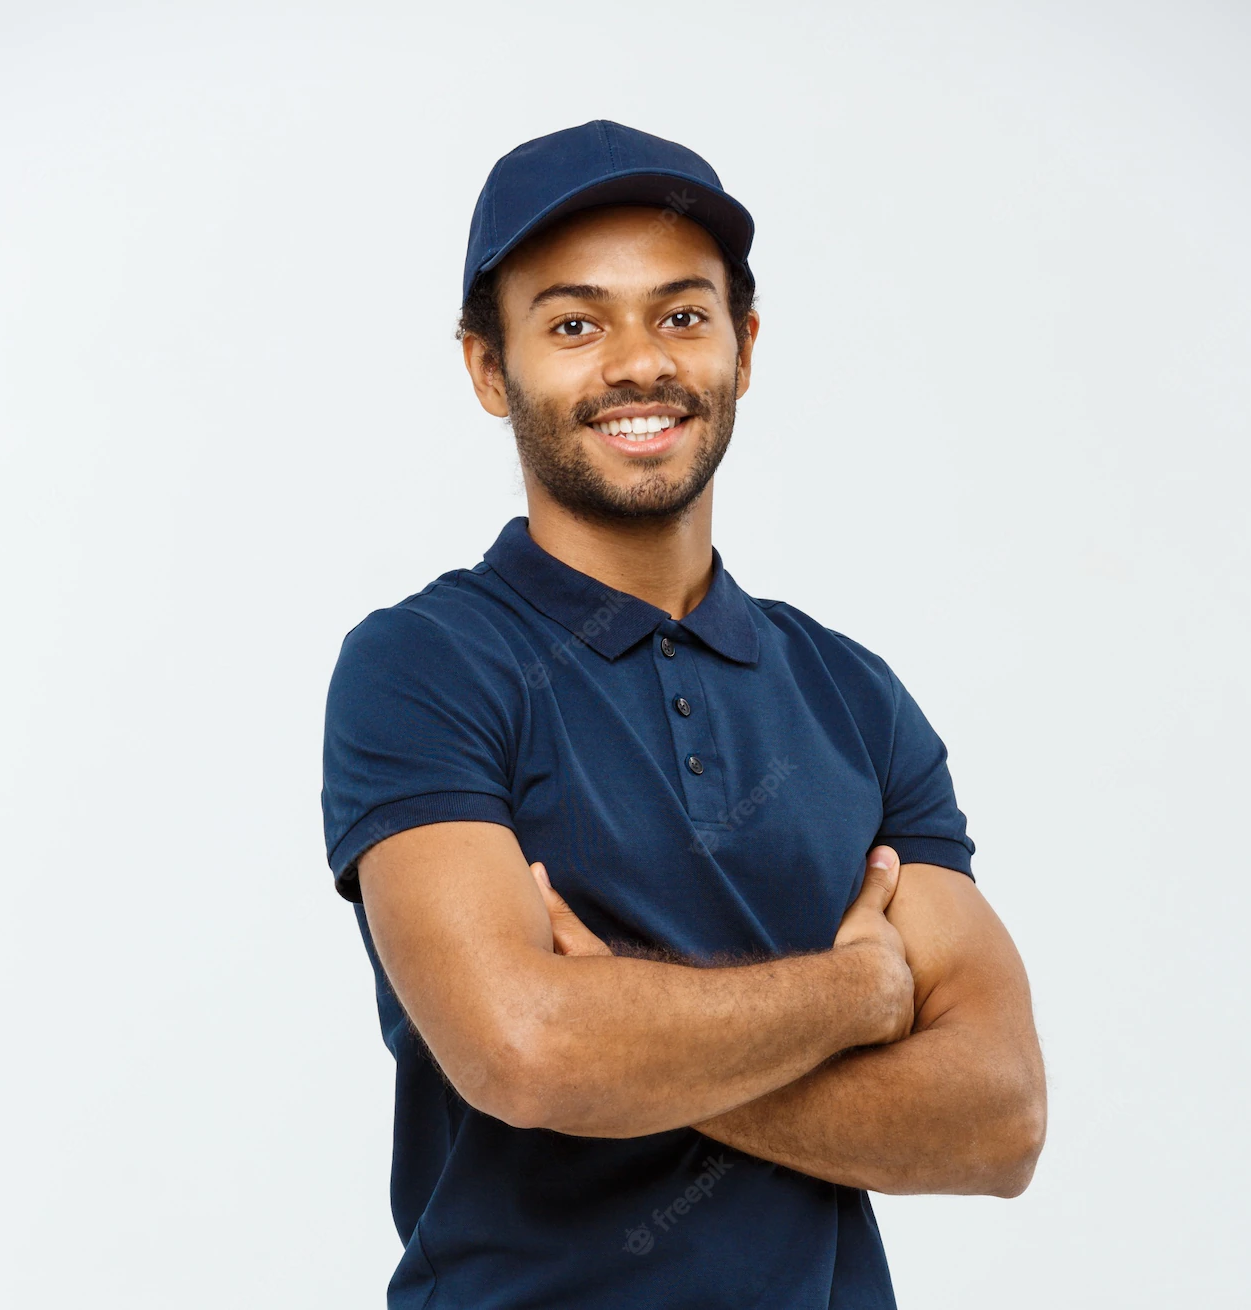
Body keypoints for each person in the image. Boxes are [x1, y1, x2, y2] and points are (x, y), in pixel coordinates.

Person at [321, 119, 1046, 1310]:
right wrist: (856, 997)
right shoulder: (424, 665)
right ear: (489, 369)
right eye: (572, 323)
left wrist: (635, 1044)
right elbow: (525, 1047)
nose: (638, 363)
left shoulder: (853, 694)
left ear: (743, 347)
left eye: (681, 314)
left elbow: (1000, 1116)